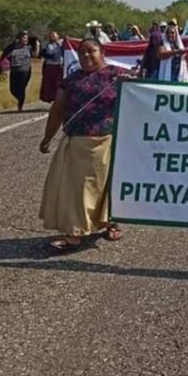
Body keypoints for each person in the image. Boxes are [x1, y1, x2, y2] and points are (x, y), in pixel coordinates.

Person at [38, 38, 132, 251]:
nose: (87, 56)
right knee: (78, 190)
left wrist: (130, 85)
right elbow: (57, 109)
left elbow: (140, 99)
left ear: (103, 52)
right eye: (82, 53)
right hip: (78, 143)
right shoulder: (71, 81)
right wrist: (47, 137)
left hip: (108, 141)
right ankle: (75, 232)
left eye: (92, 51)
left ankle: (111, 222)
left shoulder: (117, 76)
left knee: (106, 185)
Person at [0, 31, 38, 112]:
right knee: (12, 89)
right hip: (14, 71)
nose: (25, 40)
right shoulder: (12, 48)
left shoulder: (29, 48)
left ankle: (20, 105)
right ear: (19, 38)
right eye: (24, 38)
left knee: (21, 88)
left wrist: (37, 45)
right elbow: (5, 59)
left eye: (27, 38)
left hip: (25, 71)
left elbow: (35, 55)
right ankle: (20, 98)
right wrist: (4, 69)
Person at [39, 31, 64, 104]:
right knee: (48, 82)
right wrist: (50, 56)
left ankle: (57, 98)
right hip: (49, 65)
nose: (52, 37)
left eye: (53, 35)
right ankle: (48, 97)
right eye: (50, 35)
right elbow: (43, 53)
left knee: (58, 82)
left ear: (58, 36)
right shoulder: (46, 44)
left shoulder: (61, 43)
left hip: (59, 65)